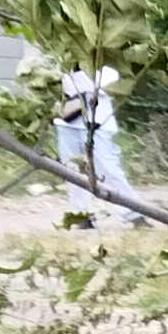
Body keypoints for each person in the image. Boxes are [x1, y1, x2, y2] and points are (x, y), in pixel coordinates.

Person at [53, 63, 133, 226]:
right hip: (66, 122)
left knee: (108, 169)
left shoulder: (103, 60)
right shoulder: (62, 59)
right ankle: (82, 214)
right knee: (73, 171)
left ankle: (132, 212)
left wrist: (76, 85)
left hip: (98, 122)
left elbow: (108, 85)